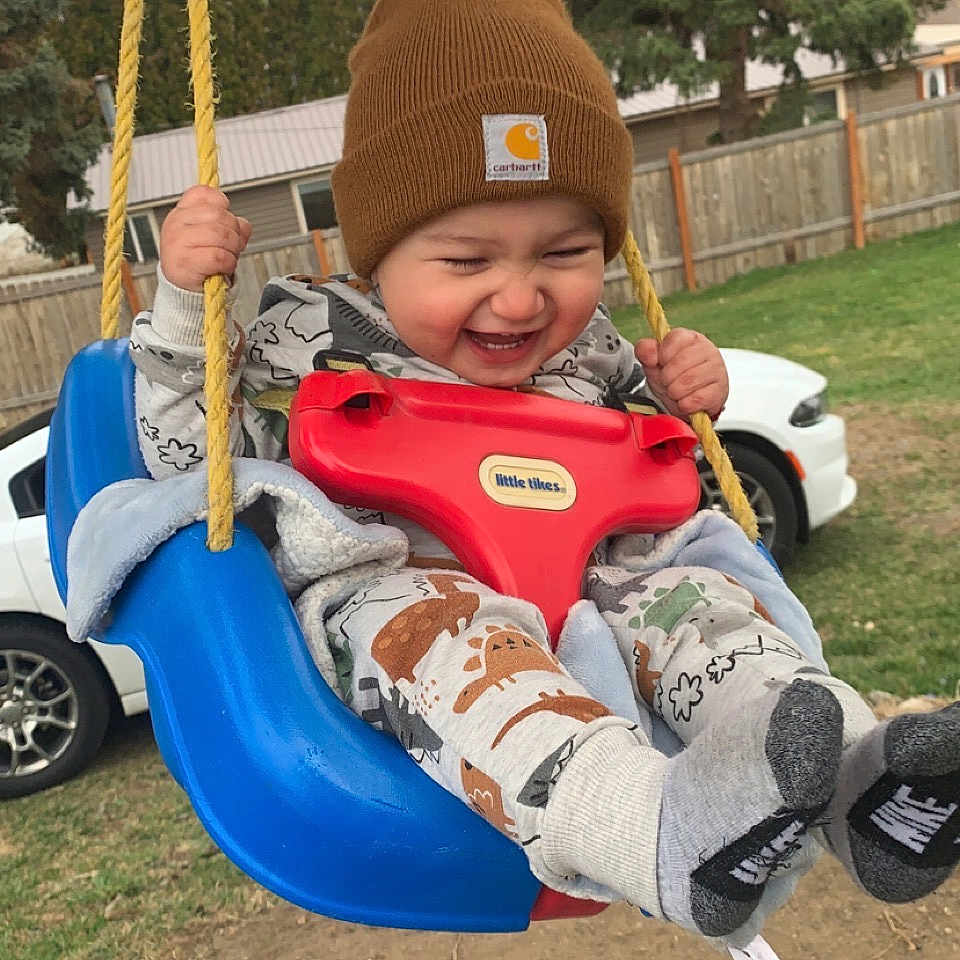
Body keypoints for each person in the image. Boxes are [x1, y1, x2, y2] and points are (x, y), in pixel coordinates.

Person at [130, 0, 960, 946]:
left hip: (605, 579)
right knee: (464, 653)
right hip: (414, 591)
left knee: (703, 610)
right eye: (466, 258)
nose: (521, 297)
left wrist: (680, 398)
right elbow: (191, 461)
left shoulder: (594, 353)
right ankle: (657, 831)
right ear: (377, 253)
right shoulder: (308, 340)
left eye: (566, 254)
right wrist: (177, 309)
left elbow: (639, 462)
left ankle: (862, 792)